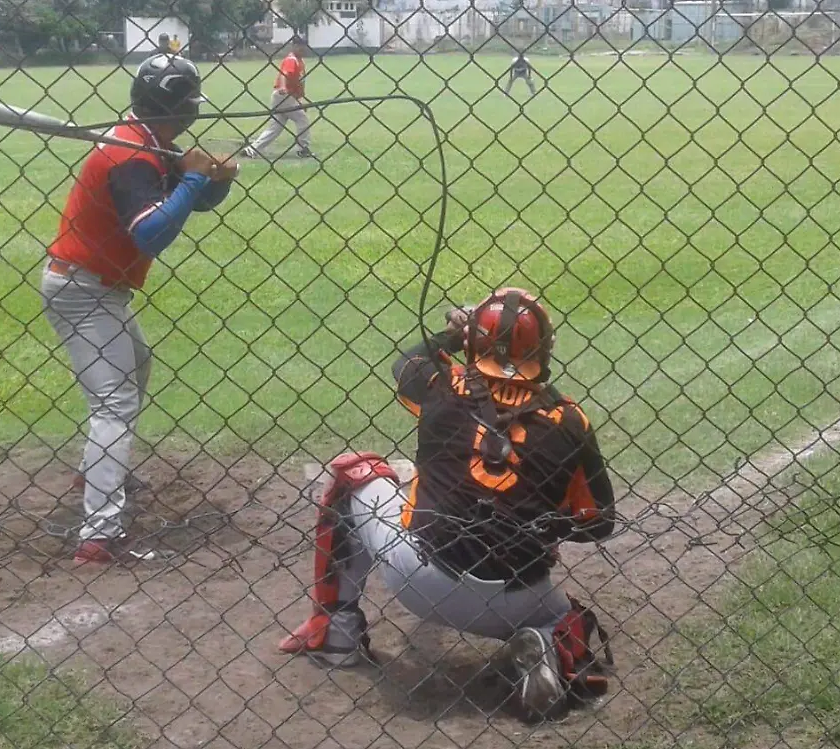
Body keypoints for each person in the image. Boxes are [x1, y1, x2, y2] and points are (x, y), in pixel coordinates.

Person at [278, 288, 617, 722]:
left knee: (354, 474)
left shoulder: (443, 390)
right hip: (517, 596)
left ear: (474, 342)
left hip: (421, 579)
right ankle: (547, 643)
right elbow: (598, 523)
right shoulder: (570, 421)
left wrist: (453, 335)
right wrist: (542, 521)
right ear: (545, 348)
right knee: (562, 616)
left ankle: (335, 634)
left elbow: (407, 365)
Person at [42, 55, 238, 565]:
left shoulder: (146, 143)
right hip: (83, 290)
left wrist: (211, 181)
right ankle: (98, 533)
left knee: (136, 365)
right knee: (114, 403)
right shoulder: (131, 157)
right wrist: (194, 180)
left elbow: (184, 201)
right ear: (181, 108)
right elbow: (152, 232)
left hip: (94, 288)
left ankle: (97, 469)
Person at [242, 35, 314, 159]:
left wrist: (300, 99)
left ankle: (251, 149)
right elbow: (284, 73)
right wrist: (283, 86)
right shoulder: (292, 60)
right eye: (300, 47)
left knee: (275, 127)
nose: (303, 50)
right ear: (294, 47)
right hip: (283, 96)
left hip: (286, 97)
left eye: (304, 47)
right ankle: (303, 148)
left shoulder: (300, 61)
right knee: (302, 120)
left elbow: (298, 84)